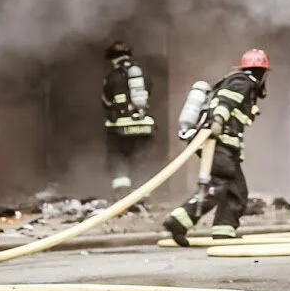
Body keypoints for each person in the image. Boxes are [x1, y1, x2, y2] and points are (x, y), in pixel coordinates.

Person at [163, 49, 269, 246]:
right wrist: (218, 120)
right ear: (261, 72)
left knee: (236, 190)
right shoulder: (242, 82)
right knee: (218, 183)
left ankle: (224, 231)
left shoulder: (243, 84)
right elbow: (224, 102)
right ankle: (179, 221)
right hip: (217, 141)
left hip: (223, 143)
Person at [102, 41, 155, 199]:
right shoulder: (144, 74)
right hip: (145, 126)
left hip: (120, 128)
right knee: (140, 162)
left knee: (119, 159)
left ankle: (123, 197)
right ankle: (142, 197)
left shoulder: (112, 77)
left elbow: (106, 101)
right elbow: (149, 93)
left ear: (113, 59)